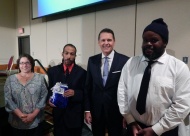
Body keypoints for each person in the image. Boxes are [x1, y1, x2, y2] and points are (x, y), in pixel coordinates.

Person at [117, 18, 190, 136]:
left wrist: (156, 129)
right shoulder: (131, 63)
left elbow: (182, 105)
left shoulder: (179, 68)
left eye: (154, 40)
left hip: (164, 130)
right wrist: (130, 120)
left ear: (165, 42)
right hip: (135, 127)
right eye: (145, 40)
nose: (148, 44)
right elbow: (122, 93)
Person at [84, 28, 129, 136]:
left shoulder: (124, 60)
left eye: (109, 40)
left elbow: (128, 88)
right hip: (96, 111)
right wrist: (87, 110)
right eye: (103, 40)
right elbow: (88, 87)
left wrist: (126, 114)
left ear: (114, 41)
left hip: (116, 111)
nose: (106, 43)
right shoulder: (92, 60)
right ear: (99, 42)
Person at [4, 53, 48, 136]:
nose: (24, 65)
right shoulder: (10, 80)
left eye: (27, 62)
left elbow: (44, 96)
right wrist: (20, 115)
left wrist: (33, 114)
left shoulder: (40, 78)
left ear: (32, 64)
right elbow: (8, 99)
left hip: (36, 119)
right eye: (22, 63)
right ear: (19, 65)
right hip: (16, 121)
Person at [48, 43, 86, 136]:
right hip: (58, 116)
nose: (69, 56)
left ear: (75, 56)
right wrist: (49, 100)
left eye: (72, 54)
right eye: (66, 53)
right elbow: (49, 90)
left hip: (75, 116)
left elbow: (86, 93)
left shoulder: (82, 73)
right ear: (62, 54)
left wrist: (75, 93)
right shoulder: (52, 71)